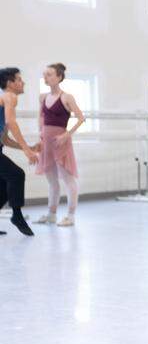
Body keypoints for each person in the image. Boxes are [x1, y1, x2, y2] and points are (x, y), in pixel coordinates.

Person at [34, 63, 84, 226]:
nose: (45, 77)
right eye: (44, 74)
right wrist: (40, 134)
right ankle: (51, 214)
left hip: (60, 141)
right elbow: (41, 117)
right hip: (46, 142)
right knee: (52, 181)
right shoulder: (42, 97)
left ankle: (71, 216)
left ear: (59, 77)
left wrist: (66, 134)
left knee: (68, 179)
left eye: (49, 74)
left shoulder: (66, 97)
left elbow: (81, 118)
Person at [0, 67, 38, 236]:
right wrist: (26, 150)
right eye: (19, 79)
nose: (23, 83)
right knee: (16, 175)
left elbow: (4, 139)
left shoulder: (4, 99)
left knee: (3, 186)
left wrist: (29, 147)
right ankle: (17, 216)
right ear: (10, 83)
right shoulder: (10, 96)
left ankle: (16, 216)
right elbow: (12, 122)